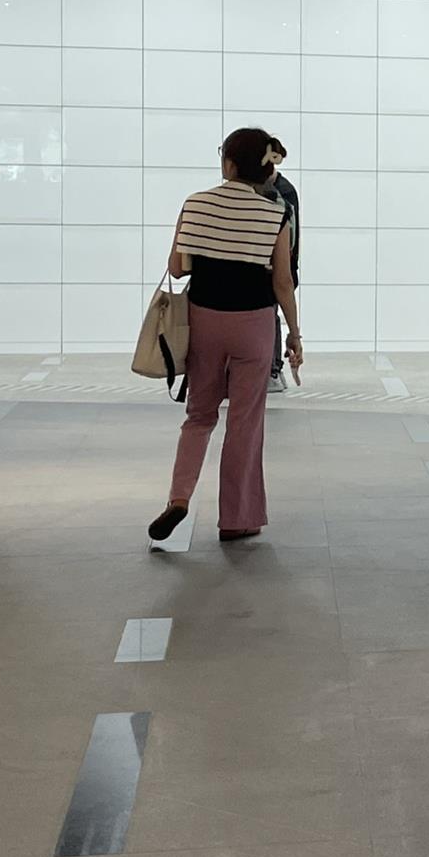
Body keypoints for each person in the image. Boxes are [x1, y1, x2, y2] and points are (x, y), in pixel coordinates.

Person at [148, 127, 303, 548]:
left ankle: (179, 498)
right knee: (244, 422)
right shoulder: (276, 214)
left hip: (205, 320)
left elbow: (178, 267)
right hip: (254, 324)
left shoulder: (195, 203)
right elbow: (283, 282)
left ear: (230, 164)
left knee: (199, 416)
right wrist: (294, 334)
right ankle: (237, 519)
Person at [260, 135, 300, 391]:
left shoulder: (279, 194)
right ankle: (273, 369)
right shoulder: (279, 190)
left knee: (270, 314)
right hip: (276, 266)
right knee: (269, 314)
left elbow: (290, 240)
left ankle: (273, 370)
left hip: (275, 266)